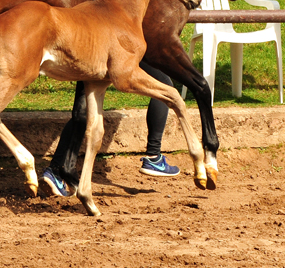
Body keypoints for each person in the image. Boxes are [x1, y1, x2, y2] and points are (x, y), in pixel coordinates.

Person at [40, 61, 180, 197]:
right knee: (163, 84)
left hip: (91, 51)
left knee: (83, 112)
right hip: (116, 48)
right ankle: (153, 156)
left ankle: (55, 170)